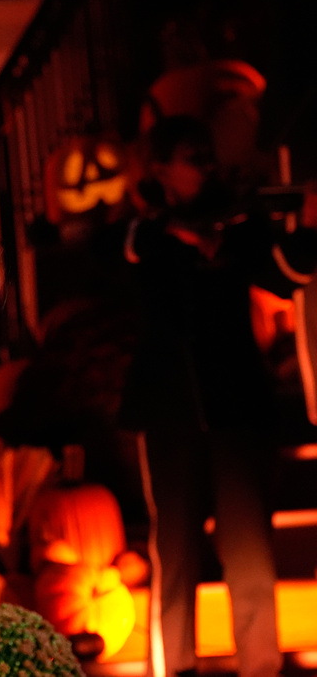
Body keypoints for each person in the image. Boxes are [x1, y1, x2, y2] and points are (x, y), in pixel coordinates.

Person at [120, 115, 317, 677]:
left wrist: (306, 229)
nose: (204, 163)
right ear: (161, 167)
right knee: (175, 553)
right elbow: (138, 253)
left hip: (237, 410)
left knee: (250, 552)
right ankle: (174, 667)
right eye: (190, 154)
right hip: (169, 412)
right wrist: (193, 233)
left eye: (207, 151)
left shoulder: (242, 223)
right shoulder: (145, 231)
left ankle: (261, 666)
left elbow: (284, 274)